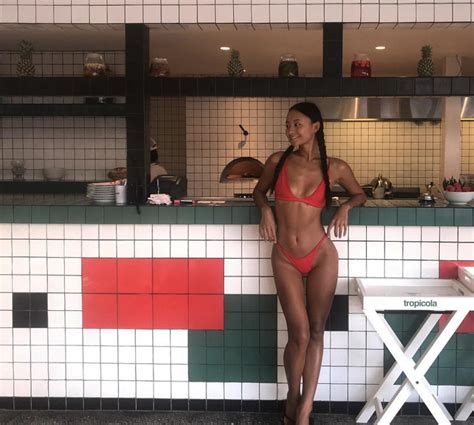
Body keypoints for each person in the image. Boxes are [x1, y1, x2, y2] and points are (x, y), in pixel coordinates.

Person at [252, 102, 366, 425]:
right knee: (299, 333)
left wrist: (345, 207)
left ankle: (305, 409)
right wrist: (265, 210)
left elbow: (360, 194)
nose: (290, 131)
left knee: (316, 330)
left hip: (321, 255)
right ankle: (292, 395)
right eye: (287, 125)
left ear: (316, 127)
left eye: (297, 124)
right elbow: (259, 192)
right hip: (285, 256)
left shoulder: (335, 167)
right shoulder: (277, 161)